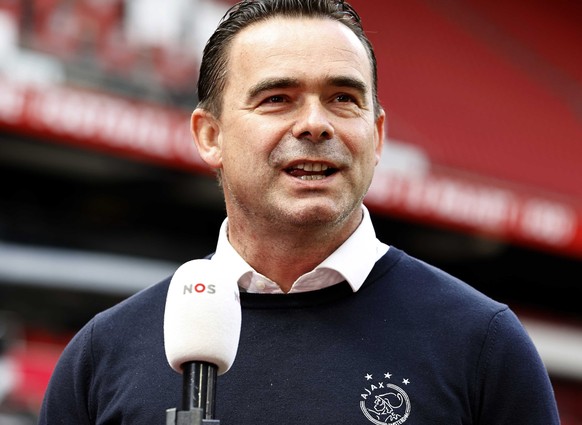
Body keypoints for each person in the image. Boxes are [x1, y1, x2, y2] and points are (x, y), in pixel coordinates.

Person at [39, 0, 560, 424]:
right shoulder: (102, 354)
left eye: (342, 98)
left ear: (376, 136)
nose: (315, 124)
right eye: (277, 98)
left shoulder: (483, 343)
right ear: (210, 135)